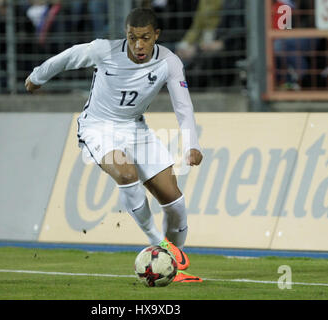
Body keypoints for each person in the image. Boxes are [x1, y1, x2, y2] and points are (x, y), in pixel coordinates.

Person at [25, 8, 203, 283]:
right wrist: (37, 77)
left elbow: (183, 106)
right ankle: (159, 242)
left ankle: (173, 265)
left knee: (175, 202)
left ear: (156, 35)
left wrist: (191, 144)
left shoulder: (170, 62)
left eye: (144, 38)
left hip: (135, 128)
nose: (138, 45)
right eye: (132, 38)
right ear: (126, 35)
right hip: (98, 127)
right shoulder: (104, 50)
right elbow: (68, 57)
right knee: (125, 172)